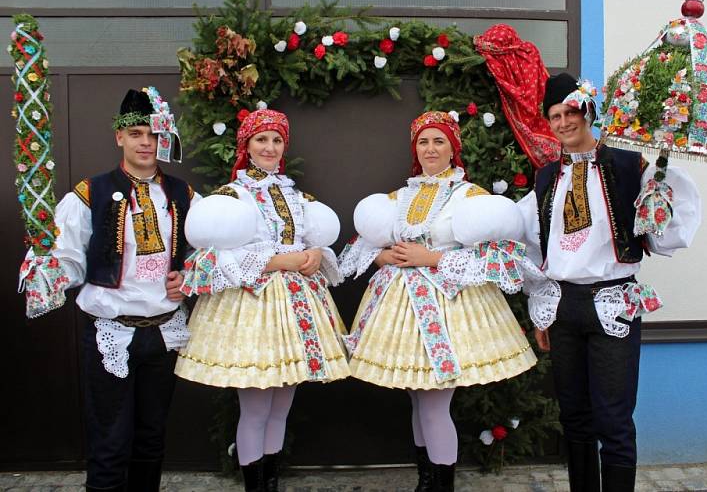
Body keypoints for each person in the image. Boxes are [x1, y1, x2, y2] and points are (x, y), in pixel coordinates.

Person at [339, 111, 539, 492]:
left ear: (453, 148)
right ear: (415, 148)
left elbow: (502, 257)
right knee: (418, 400)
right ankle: (426, 481)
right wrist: (383, 257)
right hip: (399, 309)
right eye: (424, 142)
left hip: (448, 308)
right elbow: (366, 243)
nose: (431, 149)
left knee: (433, 404)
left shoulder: (472, 196)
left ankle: (439, 486)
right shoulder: (400, 196)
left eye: (439, 141)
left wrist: (432, 259)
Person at [526, 74, 701, 492]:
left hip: (613, 304)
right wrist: (541, 310)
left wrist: (660, 185)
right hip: (562, 306)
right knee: (574, 417)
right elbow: (537, 246)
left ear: (587, 112)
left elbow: (660, 233)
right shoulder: (546, 177)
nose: (563, 122)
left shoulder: (629, 166)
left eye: (570, 112)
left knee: (614, 420)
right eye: (555, 116)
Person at [17, 87, 199, 491]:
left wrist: (189, 276)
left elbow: (210, 250)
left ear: (163, 138)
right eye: (136, 133)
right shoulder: (89, 193)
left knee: (152, 441)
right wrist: (47, 269)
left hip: (165, 333)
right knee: (110, 443)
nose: (146, 142)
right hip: (110, 333)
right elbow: (67, 256)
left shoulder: (185, 195)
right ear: (119, 137)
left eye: (152, 134)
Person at [175, 108, 350, 492]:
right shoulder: (231, 196)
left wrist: (316, 254)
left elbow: (310, 239)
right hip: (252, 306)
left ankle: (270, 482)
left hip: (296, 307)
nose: (270, 147)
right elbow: (208, 257)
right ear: (247, 145)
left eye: (276, 140)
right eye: (261, 139)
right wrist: (276, 261)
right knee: (255, 406)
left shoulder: (295, 195)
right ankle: (255, 486)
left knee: (282, 402)